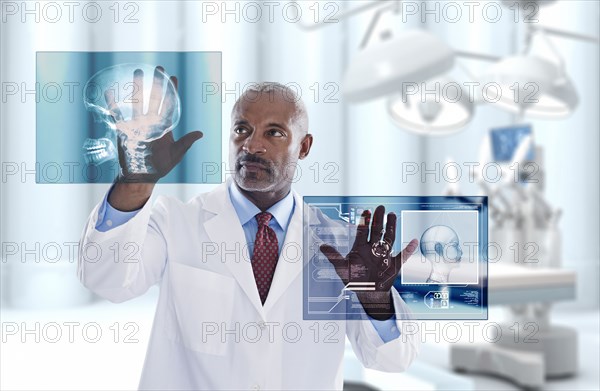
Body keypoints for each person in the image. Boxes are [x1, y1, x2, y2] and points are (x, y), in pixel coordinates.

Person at [78, 67, 420, 390]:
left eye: (274, 132)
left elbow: (392, 359)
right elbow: (106, 280)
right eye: (242, 129)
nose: (252, 145)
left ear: (304, 147)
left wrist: (376, 302)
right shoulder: (175, 223)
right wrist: (136, 182)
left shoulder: (342, 247)